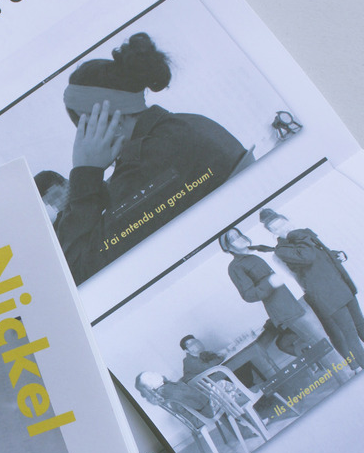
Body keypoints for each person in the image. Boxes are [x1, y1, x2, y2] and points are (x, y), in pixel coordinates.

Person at [55, 32, 248, 283]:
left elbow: (78, 271)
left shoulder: (148, 159)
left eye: (83, 130)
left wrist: (85, 170)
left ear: (102, 120)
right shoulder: (184, 126)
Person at [259, 208, 364, 370]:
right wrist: (296, 235)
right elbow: (307, 257)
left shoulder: (304, 235)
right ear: (272, 233)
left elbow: (321, 255)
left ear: (287, 220)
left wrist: (339, 254)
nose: (282, 229)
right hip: (325, 295)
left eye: (282, 223)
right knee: (350, 334)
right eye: (276, 228)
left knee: (361, 324)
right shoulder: (282, 250)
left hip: (340, 284)